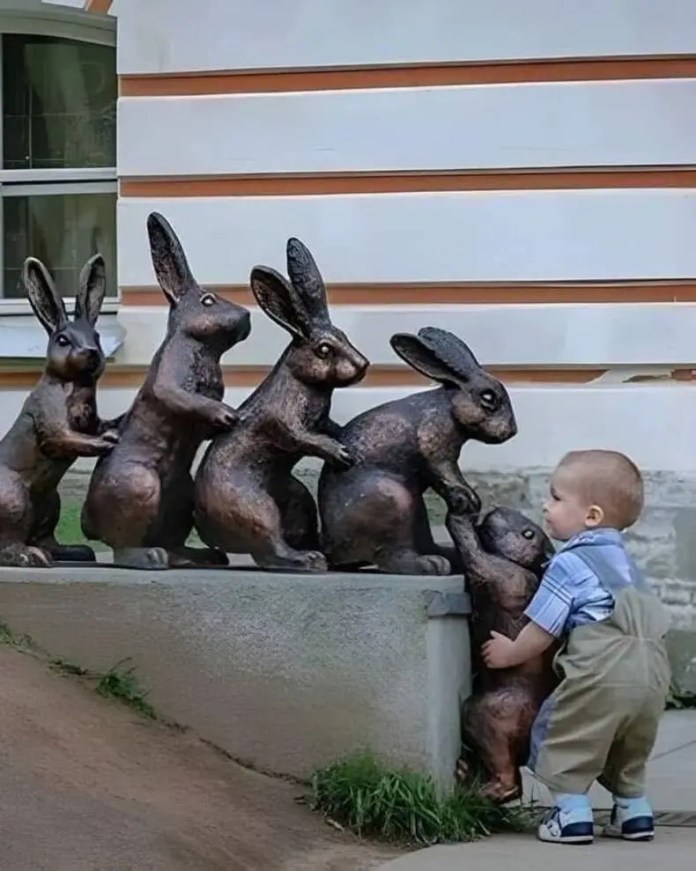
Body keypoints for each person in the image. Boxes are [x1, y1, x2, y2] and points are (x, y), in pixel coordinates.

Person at [482, 449, 671, 846]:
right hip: (652, 673)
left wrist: (510, 653)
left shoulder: (571, 563)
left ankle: (571, 814)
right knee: (627, 741)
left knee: (564, 732)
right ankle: (634, 812)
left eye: (556, 498)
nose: (545, 507)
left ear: (592, 517)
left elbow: (543, 627)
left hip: (603, 669)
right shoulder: (627, 564)